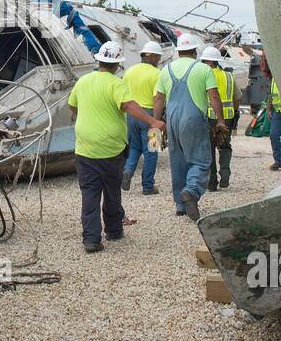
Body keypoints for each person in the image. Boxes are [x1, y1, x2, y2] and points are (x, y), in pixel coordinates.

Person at [68, 41, 165, 253]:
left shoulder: (84, 81)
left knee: (90, 193)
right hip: (125, 133)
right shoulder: (119, 82)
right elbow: (147, 100)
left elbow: (72, 105)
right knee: (148, 155)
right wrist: (153, 122)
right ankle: (116, 226)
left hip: (85, 147)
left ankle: (91, 238)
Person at [152, 33, 225, 221]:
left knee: (177, 162)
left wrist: (156, 123)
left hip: (172, 120)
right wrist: (220, 121)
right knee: (200, 160)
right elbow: (214, 96)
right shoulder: (203, 69)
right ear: (194, 51)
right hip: (193, 119)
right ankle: (191, 191)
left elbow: (158, 98)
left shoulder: (165, 70)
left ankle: (180, 205)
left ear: (178, 51)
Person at [121, 41, 164, 195]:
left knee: (134, 147)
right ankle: (147, 186)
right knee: (152, 151)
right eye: (158, 57)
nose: (159, 61)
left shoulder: (129, 71)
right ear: (151, 56)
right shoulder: (157, 74)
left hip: (131, 115)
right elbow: (158, 98)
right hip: (149, 115)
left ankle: (128, 170)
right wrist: (156, 122)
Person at [201, 46, 237, 191]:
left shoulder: (204, 75)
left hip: (209, 118)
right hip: (227, 118)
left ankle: (212, 182)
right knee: (225, 146)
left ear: (208, 62)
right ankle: (225, 173)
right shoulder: (229, 76)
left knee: (209, 149)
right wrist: (235, 113)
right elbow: (237, 97)